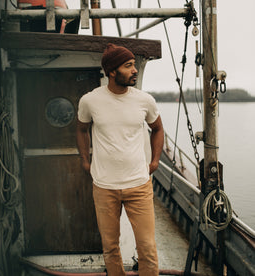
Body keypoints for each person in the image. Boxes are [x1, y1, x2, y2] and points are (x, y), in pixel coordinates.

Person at [76, 43, 164, 276]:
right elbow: (81, 130)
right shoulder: (90, 101)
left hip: (139, 185)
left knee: (147, 248)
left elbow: (157, 129)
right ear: (112, 72)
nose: (134, 70)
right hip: (104, 187)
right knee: (110, 248)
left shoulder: (144, 100)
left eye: (134, 65)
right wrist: (86, 161)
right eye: (128, 66)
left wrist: (154, 162)